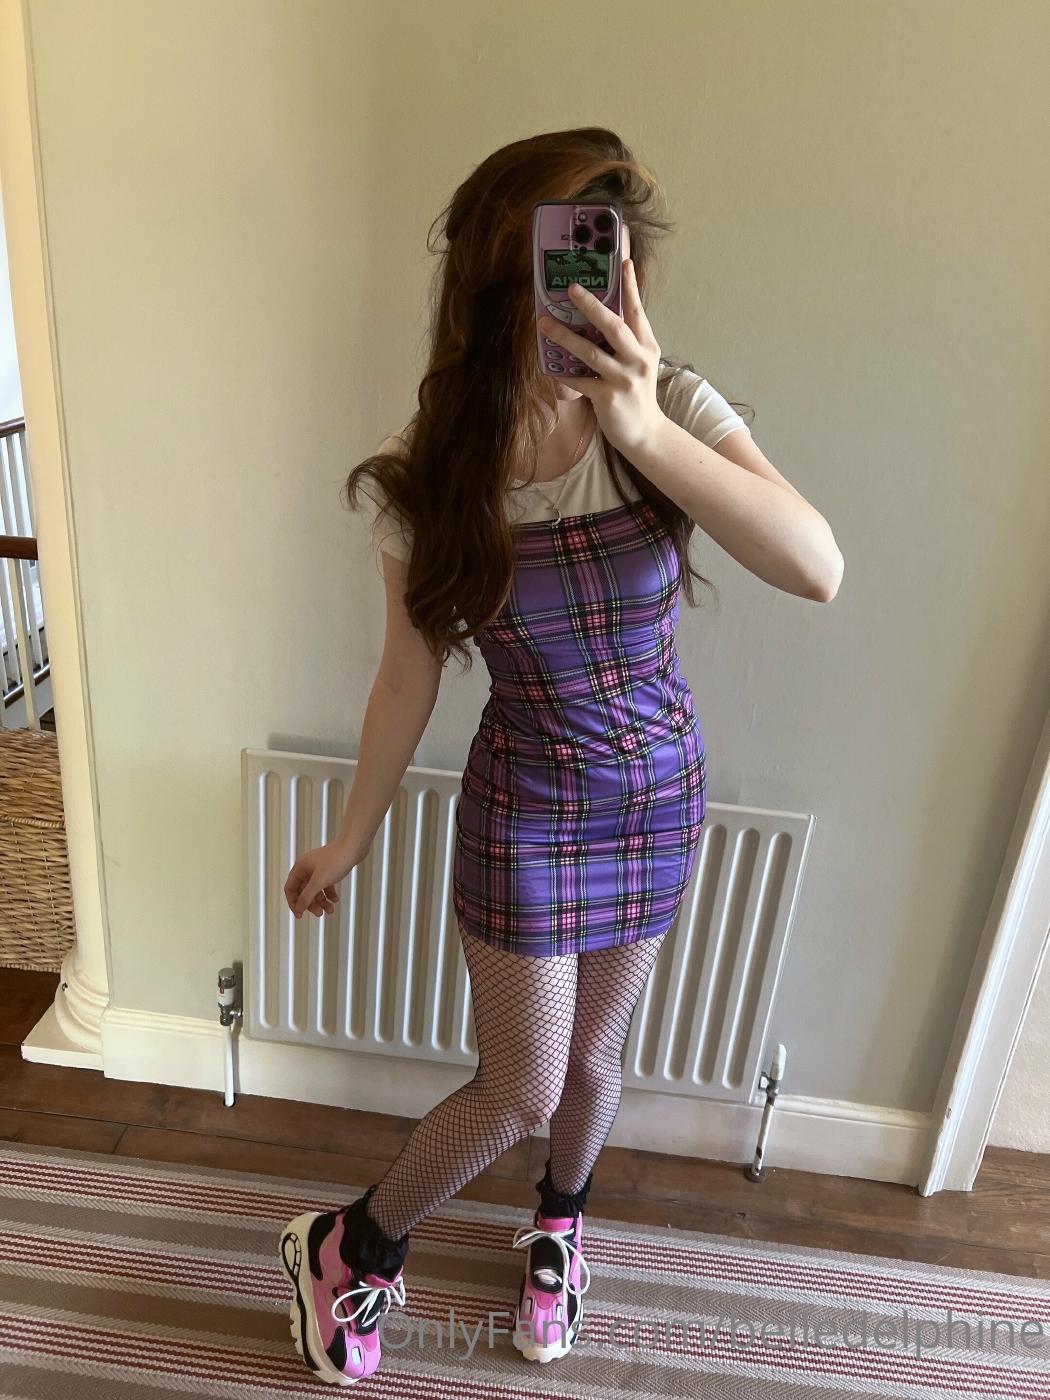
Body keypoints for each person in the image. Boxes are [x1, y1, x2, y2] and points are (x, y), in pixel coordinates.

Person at [278, 127, 844, 1385]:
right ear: (491, 284)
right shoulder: (433, 471)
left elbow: (817, 565)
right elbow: (407, 671)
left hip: (657, 797)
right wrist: (350, 835)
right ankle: (349, 1244)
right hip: (526, 807)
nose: (578, 294)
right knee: (523, 1084)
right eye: (551, 266)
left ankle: (559, 1229)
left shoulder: (672, 410)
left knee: (595, 1061)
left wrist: (641, 425)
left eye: (603, 262)